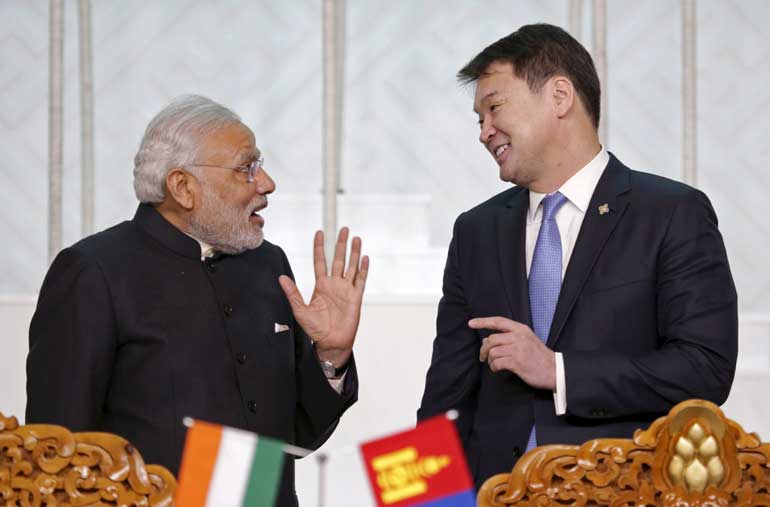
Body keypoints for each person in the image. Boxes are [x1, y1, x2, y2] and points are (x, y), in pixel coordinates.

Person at [417, 23, 737, 489]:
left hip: (624, 491)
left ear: (560, 96)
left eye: (494, 108)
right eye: (477, 119)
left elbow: (705, 369)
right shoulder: (475, 230)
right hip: (496, 495)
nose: (484, 133)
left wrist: (558, 371)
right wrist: (423, 503)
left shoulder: (671, 212)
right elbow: (444, 396)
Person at [26, 95, 369, 507]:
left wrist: (330, 354)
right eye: (248, 168)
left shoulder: (267, 264)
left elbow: (293, 436)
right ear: (183, 186)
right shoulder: (92, 271)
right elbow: (56, 453)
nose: (267, 183)